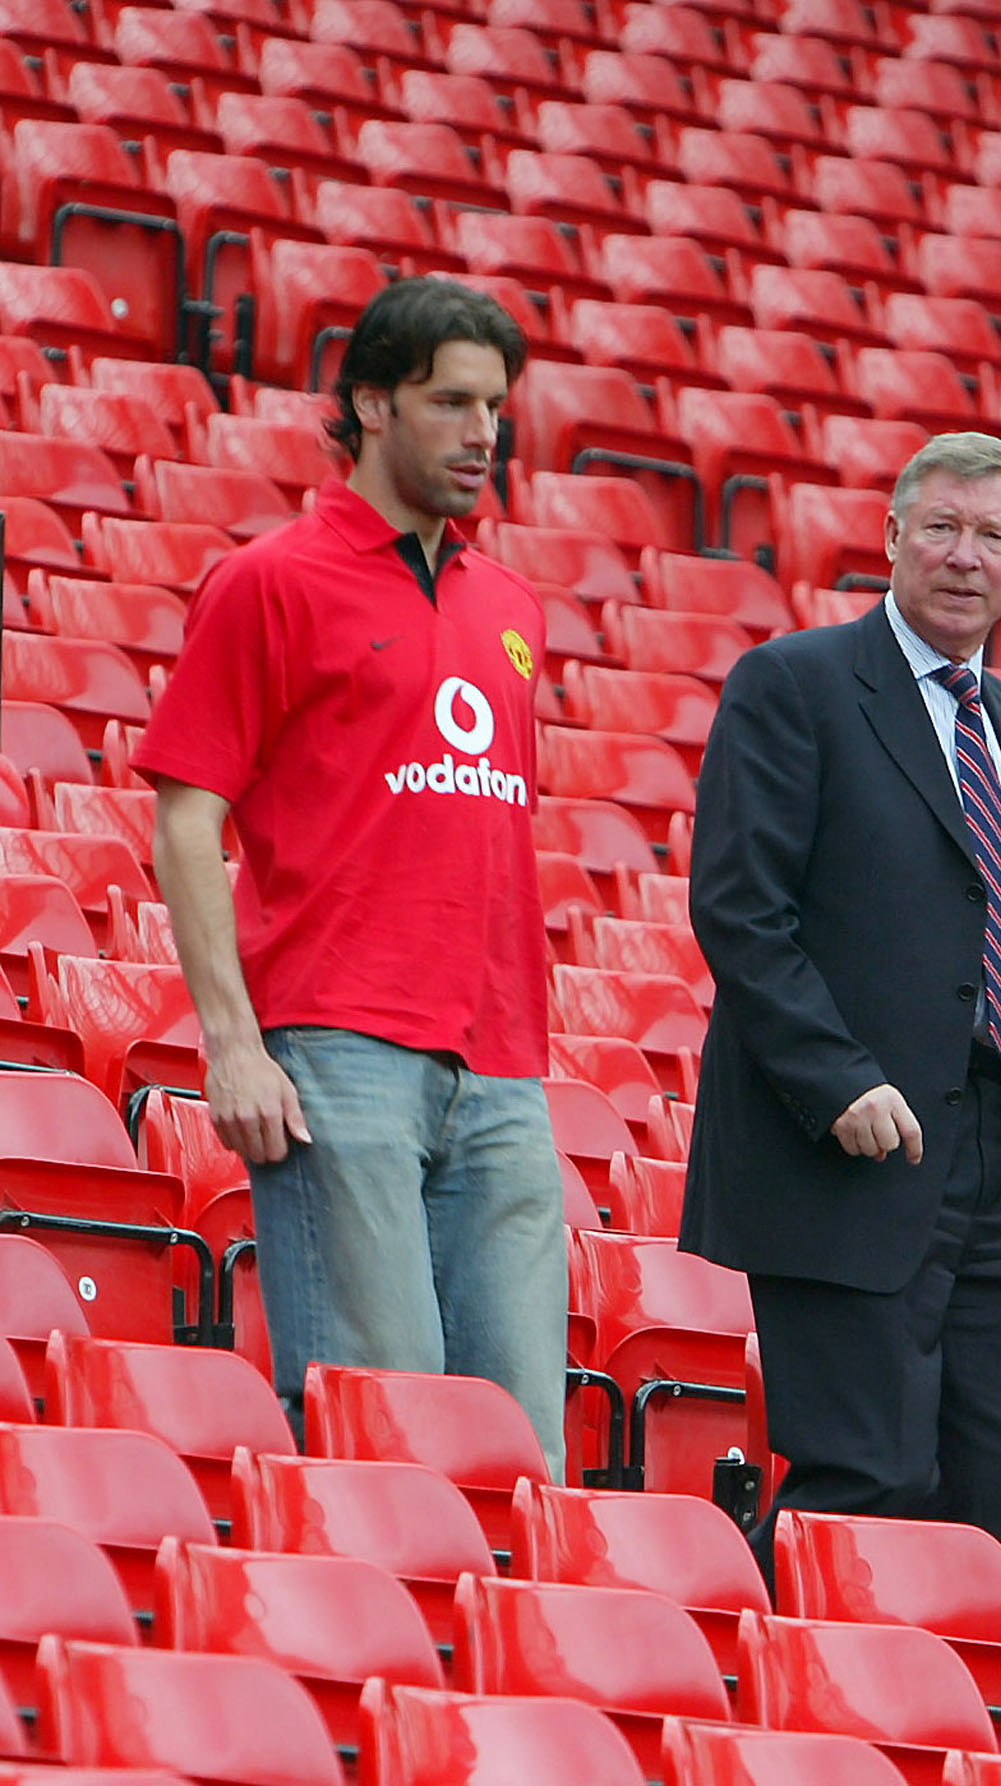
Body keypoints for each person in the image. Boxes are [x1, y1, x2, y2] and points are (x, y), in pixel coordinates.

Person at [681, 431, 1001, 1625]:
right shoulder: (792, 683)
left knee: (999, 1515)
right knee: (864, 1483)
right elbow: (741, 910)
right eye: (938, 527)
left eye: (992, 536)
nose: (962, 556)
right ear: (891, 538)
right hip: (850, 1157)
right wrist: (833, 1077)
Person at [138, 278, 567, 1474]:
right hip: (339, 1049)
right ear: (370, 404)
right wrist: (233, 1041)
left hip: (503, 1065)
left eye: (496, 407)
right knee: (379, 1436)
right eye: (451, 402)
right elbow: (187, 821)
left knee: (520, 1453)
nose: (483, 432)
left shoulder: (512, 605)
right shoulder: (270, 580)